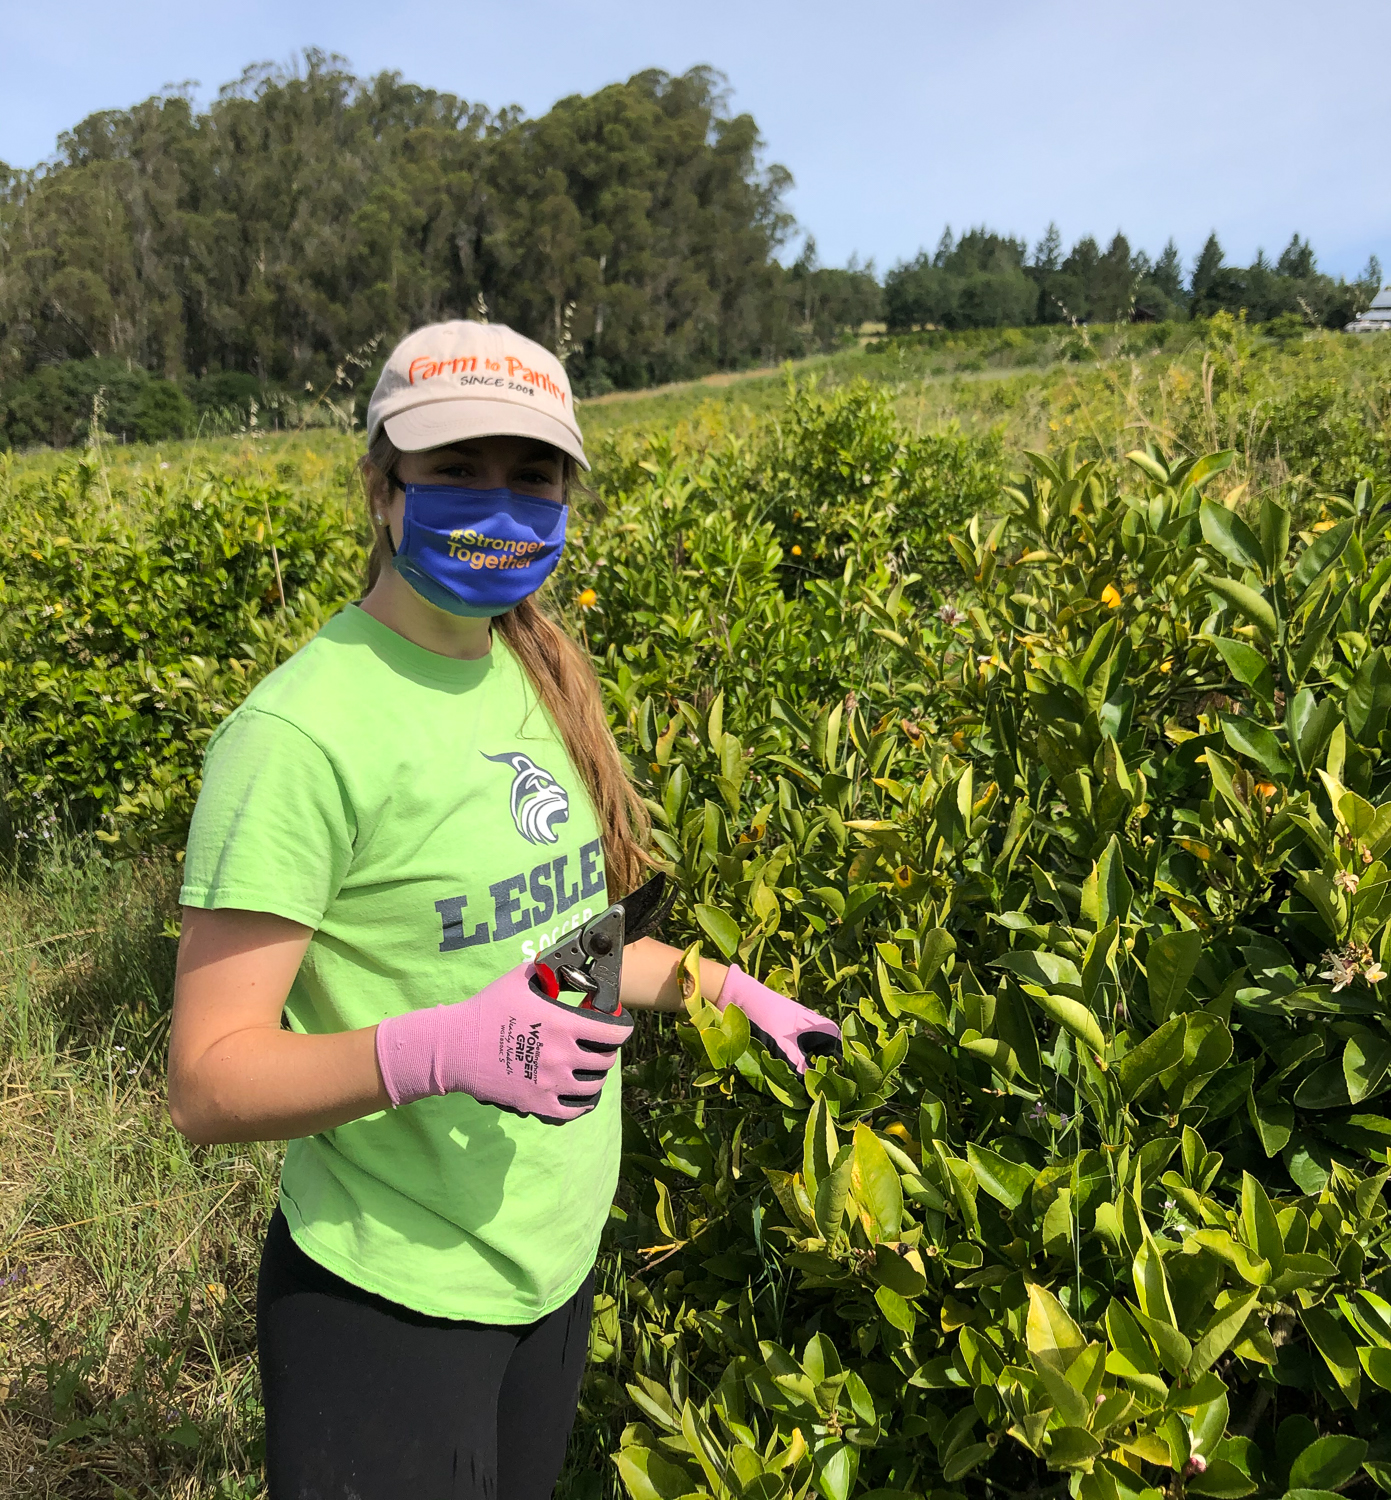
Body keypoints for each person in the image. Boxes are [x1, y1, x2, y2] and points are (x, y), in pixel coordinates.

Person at [166, 320, 841, 1500]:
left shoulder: (527, 670)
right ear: (382, 487)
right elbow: (208, 1084)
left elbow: (566, 950)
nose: (500, 505)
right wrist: (432, 1050)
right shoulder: (297, 737)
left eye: (531, 477)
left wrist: (714, 988)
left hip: (549, 1257)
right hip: (391, 1296)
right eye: (455, 471)